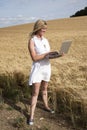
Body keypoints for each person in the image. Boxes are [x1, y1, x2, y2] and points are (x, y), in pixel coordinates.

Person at [28, 19, 63, 125]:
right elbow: (34, 57)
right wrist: (46, 54)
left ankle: (46, 106)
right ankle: (31, 116)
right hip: (38, 68)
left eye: (46, 29)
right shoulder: (32, 40)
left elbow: (48, 56)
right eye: (43, 29)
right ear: (38, 28)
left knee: (44, 89)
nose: (44, 31)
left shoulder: (45, 40)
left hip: (46, 67)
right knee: (35, 93)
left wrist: (57, 55)